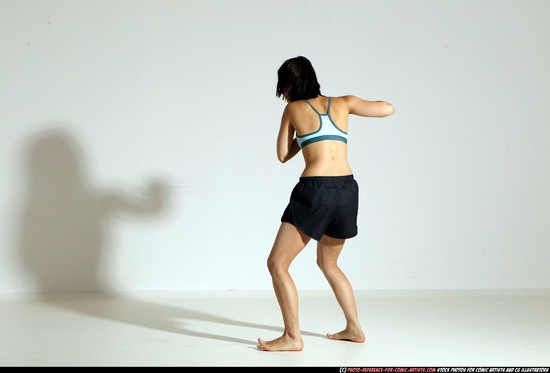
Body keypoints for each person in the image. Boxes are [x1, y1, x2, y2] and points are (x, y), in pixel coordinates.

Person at [257, 56, 395, 352]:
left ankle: (292, 337)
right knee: (329, 264)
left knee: (277, 264)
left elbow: (282, 155)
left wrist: (303, 135)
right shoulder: (344, 102)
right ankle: (355, 329)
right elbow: (387, 108)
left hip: (315, 191)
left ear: (289, 83)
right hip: (347, 189)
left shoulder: (293, 109)